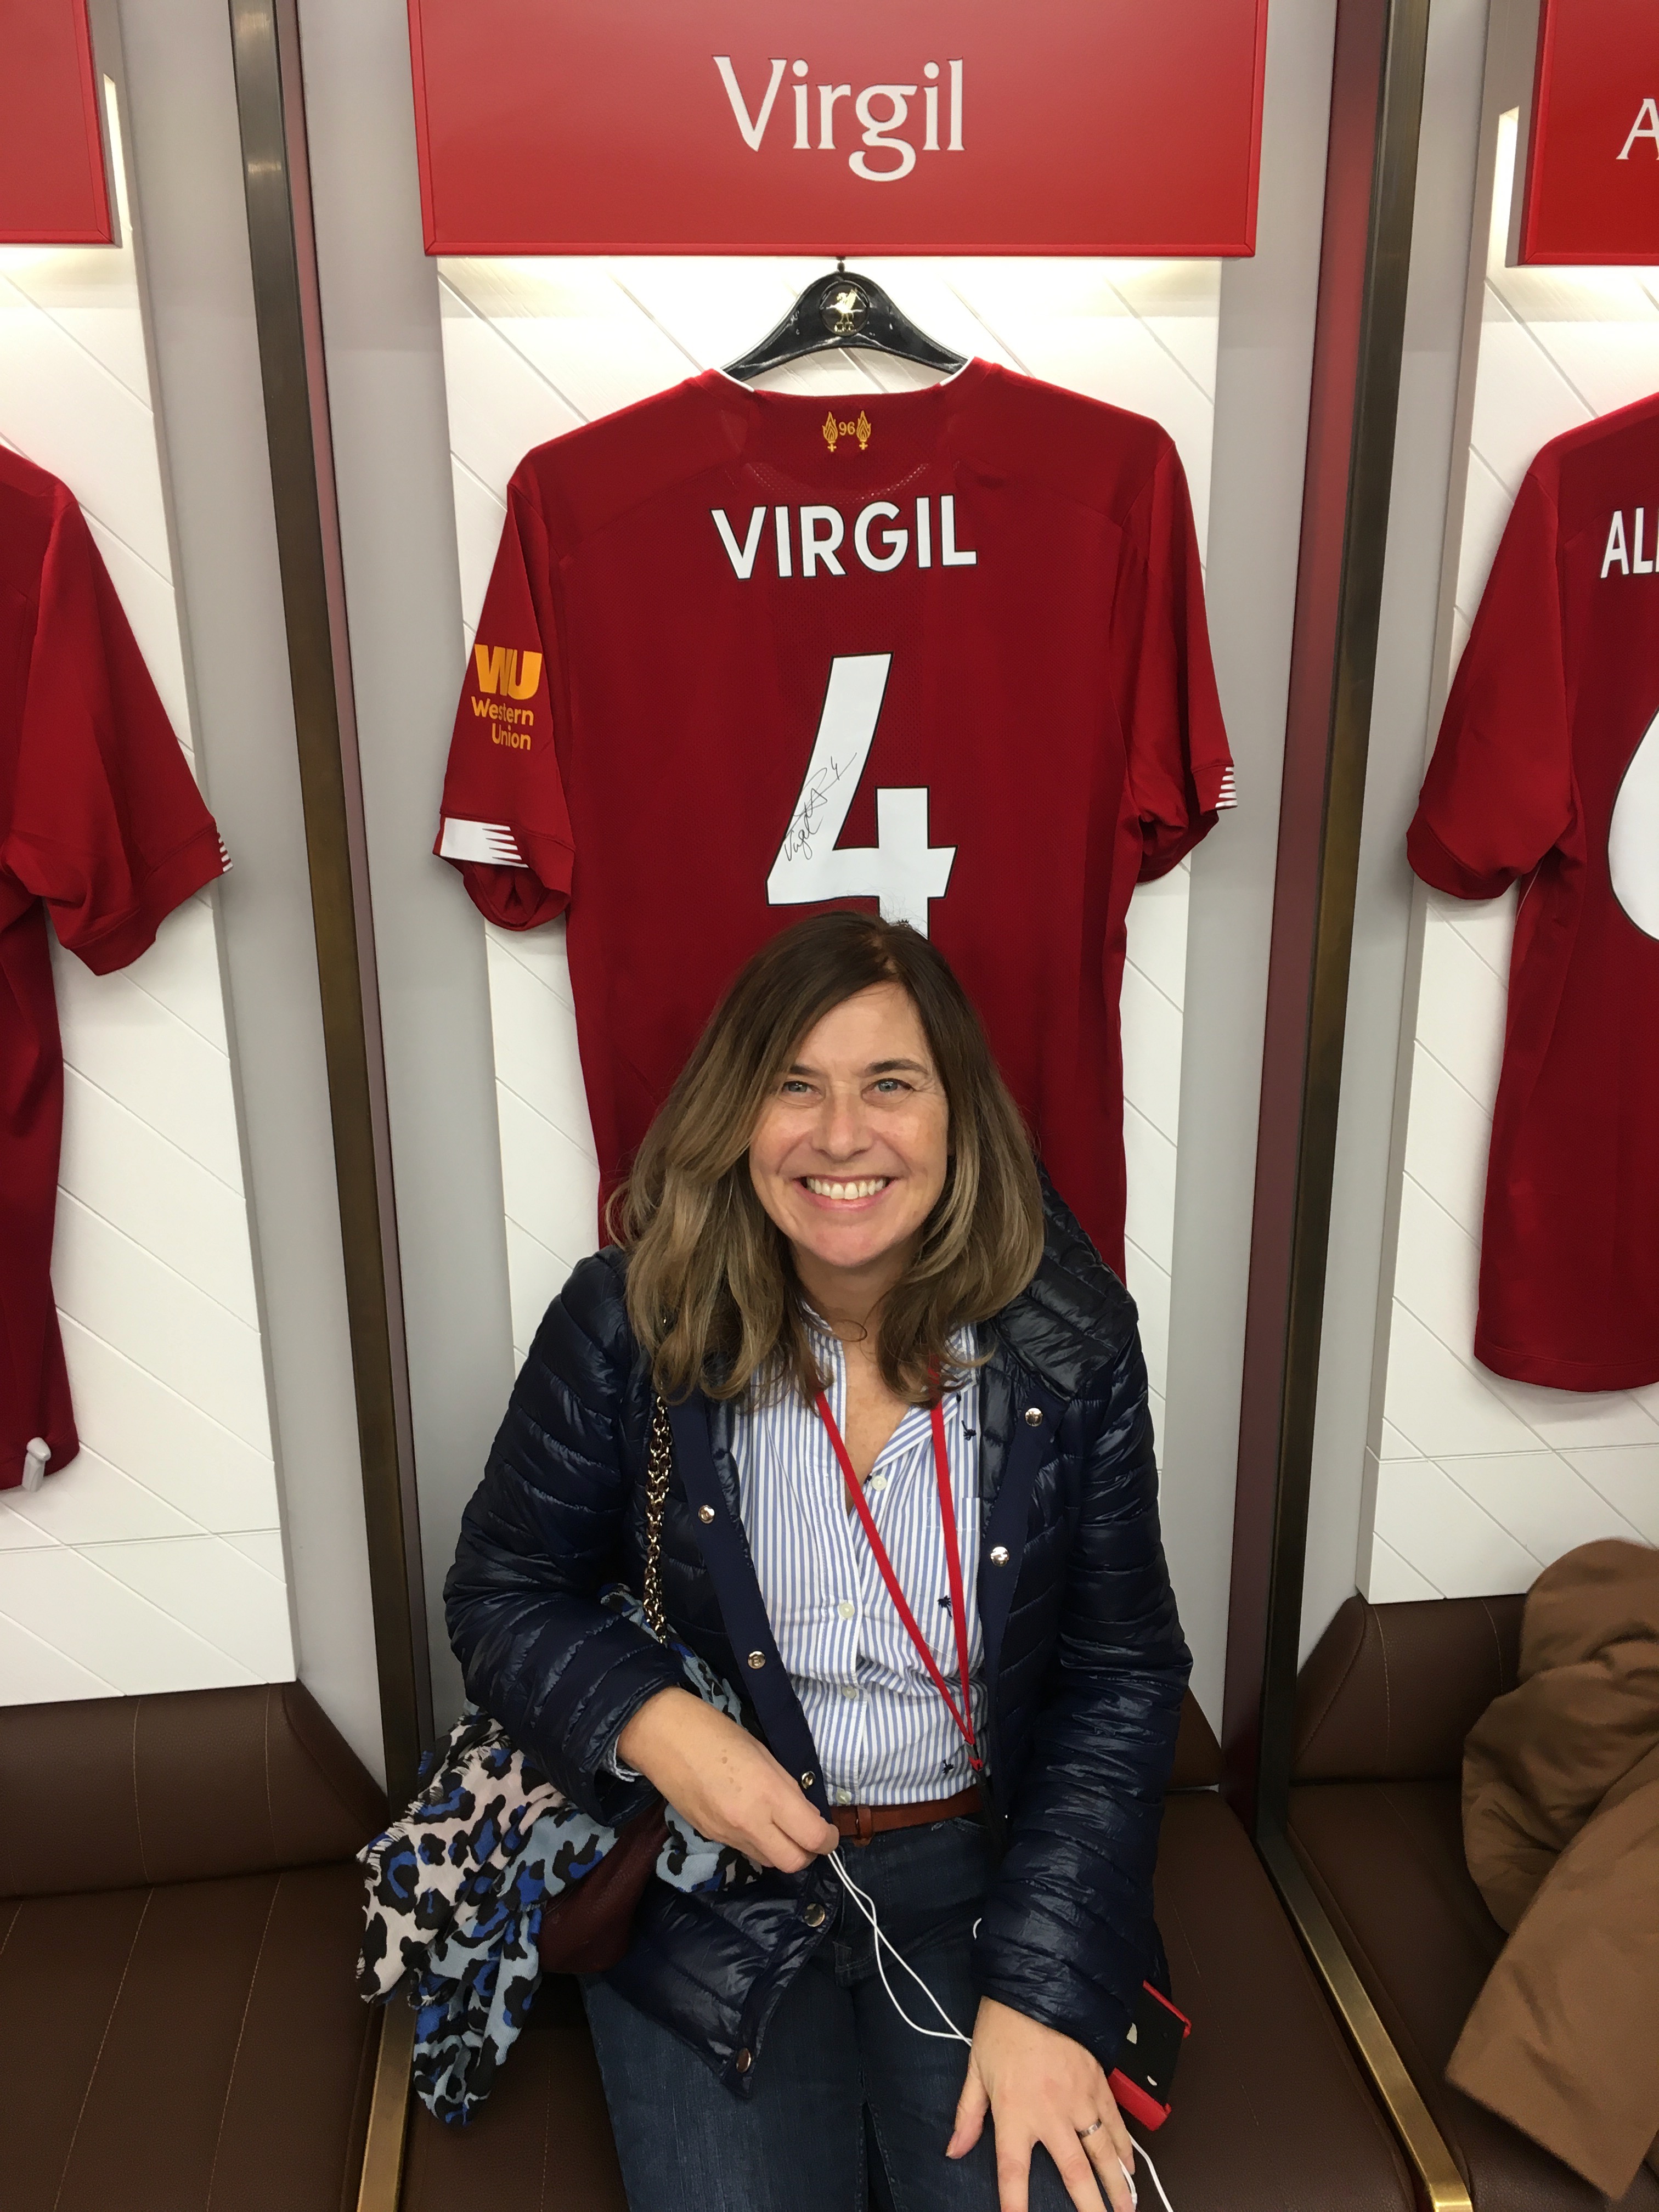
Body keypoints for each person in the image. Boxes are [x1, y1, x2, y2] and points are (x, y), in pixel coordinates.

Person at [445, 912, 1190, 2212]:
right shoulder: (629, 1323)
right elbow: (501, 1592)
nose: (842, 1136)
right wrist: (663, 1727)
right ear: (738, 1115)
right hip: (708, 1881)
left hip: (981, 1870)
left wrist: (1044, 1988)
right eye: (796, 1086)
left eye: (890, 1085)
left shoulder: (1073, 1346)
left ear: (958, 1118)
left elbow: (1121, 1677)